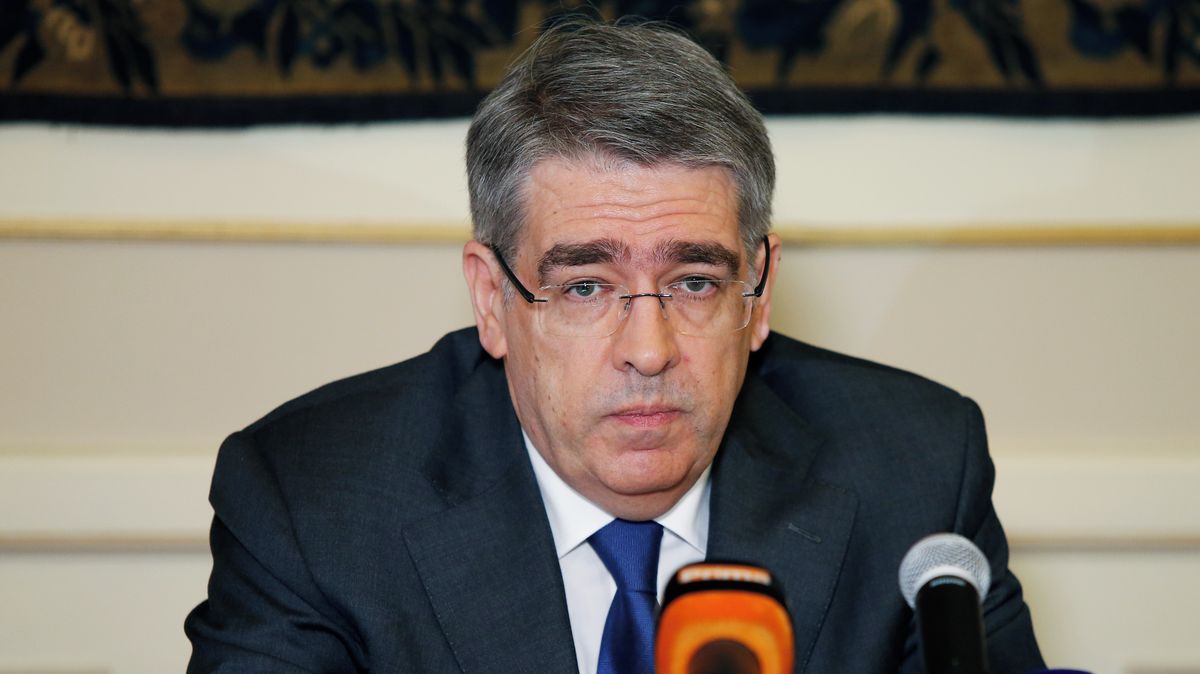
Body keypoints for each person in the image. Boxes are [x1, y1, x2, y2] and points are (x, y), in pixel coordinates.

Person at [185, 19, 1044, 674]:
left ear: (759, 291)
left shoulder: (915, 470)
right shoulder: (314, 503)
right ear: (492, 299)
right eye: (586, 287)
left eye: (696, 282)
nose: (649, 349)